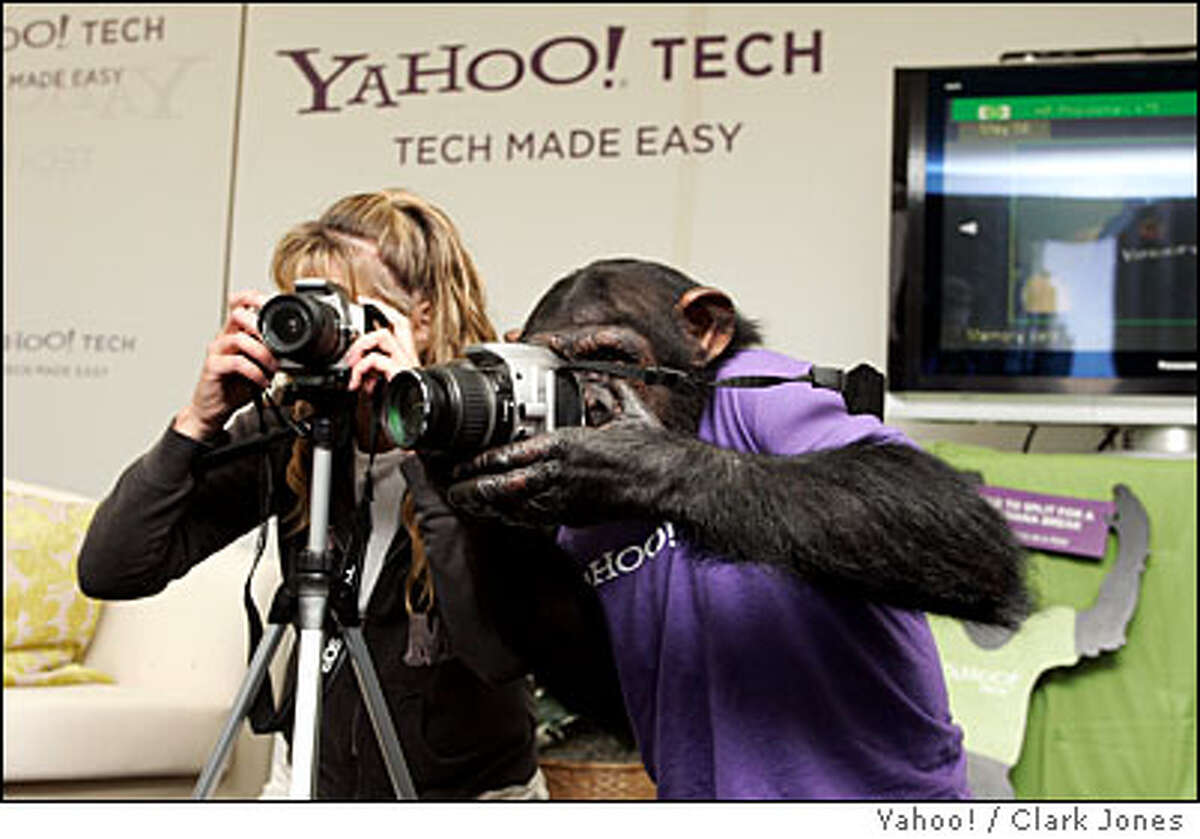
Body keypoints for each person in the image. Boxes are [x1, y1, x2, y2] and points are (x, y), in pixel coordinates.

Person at [442, 258, 1032, 799]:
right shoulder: (584, 483)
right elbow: (615, 702)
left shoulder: (757, 395)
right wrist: (494, 523)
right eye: (564, 375)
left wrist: (667, 473)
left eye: (614, 363)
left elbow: (975, 557)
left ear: (704, 331)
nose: (592, 399)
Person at [76, 190, 549, 800]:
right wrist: (197, 422)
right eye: (307, 309)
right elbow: (114, 568)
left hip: (470, 798)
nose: (322, 333)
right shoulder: (296, 430)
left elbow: (498, 650)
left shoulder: (493, 429)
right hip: (308, 788)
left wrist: (420, 439)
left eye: (345, 311)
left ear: (422, 318)